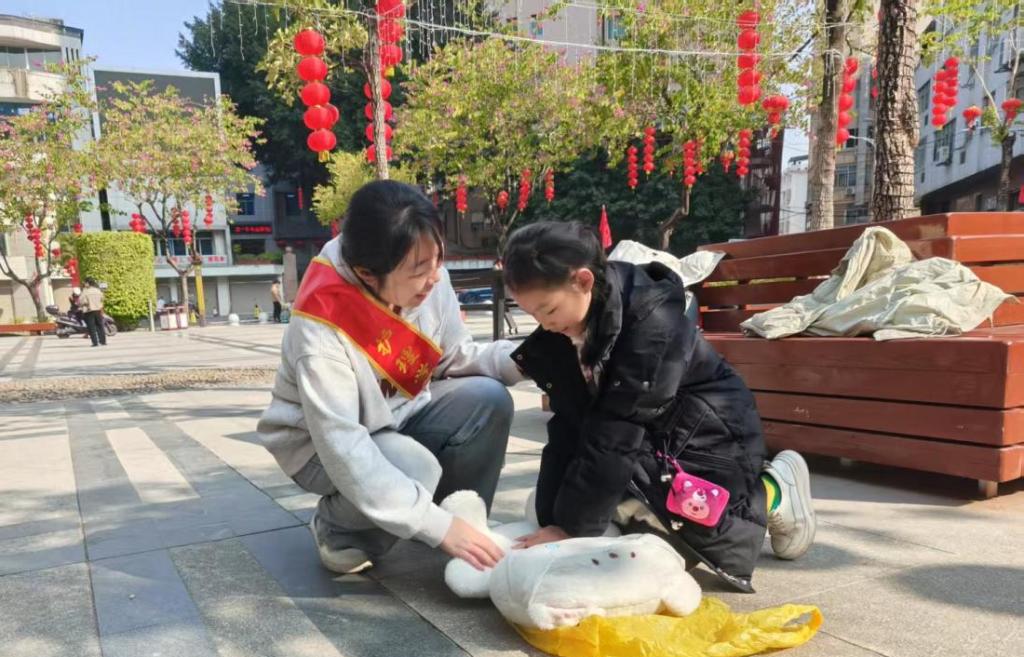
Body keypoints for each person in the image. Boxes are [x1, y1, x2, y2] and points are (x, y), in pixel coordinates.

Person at [502, 221, 815, 593]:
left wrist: (571, 529)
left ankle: (775, 490)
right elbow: (570, 425)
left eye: (548, 310)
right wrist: (555, 519)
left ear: (583, 281)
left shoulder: (650, 324)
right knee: (561, 512)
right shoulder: (570, 325)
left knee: (666, 549)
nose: (544, 325)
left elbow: (616, 432)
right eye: (532, 315)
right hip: (653, 435)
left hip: (707, 441)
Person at [258, 181, 522, 575]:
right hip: (319, 447)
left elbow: (455, 357)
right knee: (414, 467)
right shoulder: (321, 326)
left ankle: (460, 521)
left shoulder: (426, 271)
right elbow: (343, 444)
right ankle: (338, 528)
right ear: (367, 274)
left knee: (489, 399)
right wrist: (437, 528)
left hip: (400, 416)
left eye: (438, 260)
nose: (435, 278)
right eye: (420, 270)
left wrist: (524, 361)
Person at [79, 278, 107, 347]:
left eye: (85, 282)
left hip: (89, 311)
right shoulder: (98, 291)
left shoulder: (85, 292)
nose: (84, 284)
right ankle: (103, 341)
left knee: (91, 327)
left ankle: (95, 342)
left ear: (88, 283)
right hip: (98, 310)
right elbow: (102, 299)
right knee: (100, 326)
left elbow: (81, 301)